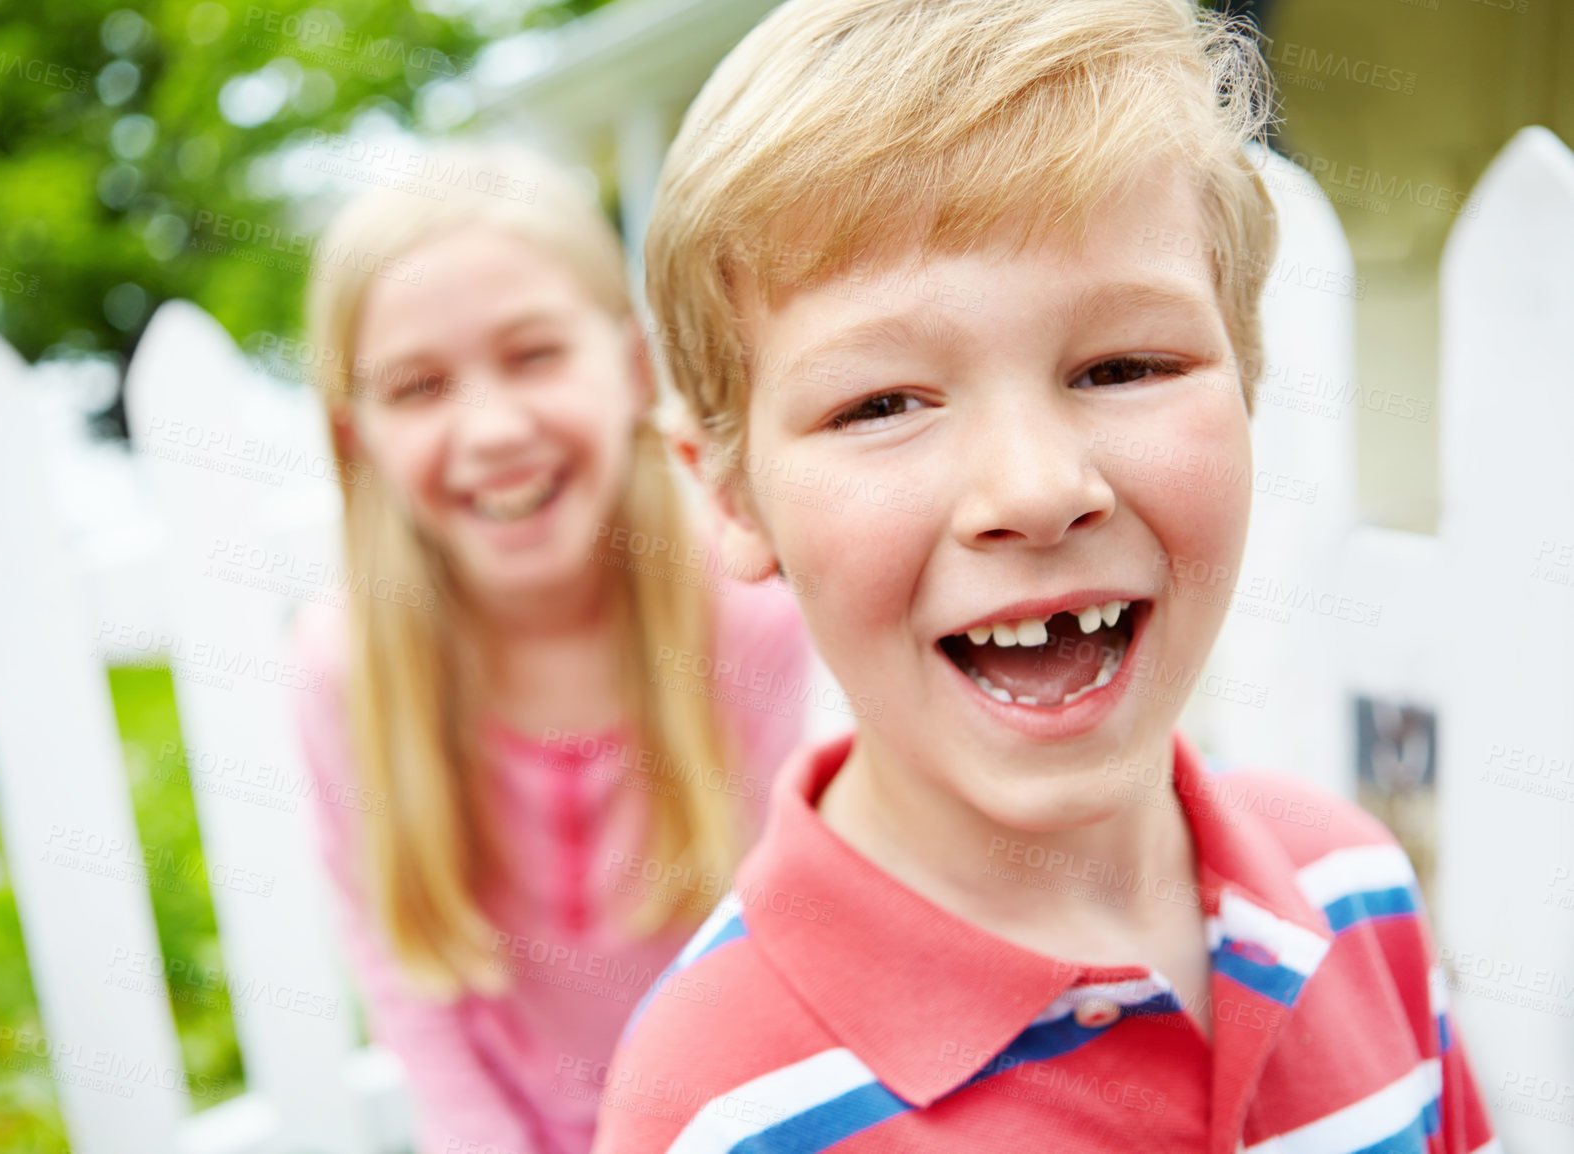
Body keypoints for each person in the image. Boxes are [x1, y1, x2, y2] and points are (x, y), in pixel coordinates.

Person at [591, 1, 1497, 1150]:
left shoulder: (1357, 890)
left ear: (1249, 380)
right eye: (881, 403)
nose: (1032, 487)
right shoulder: (719, 1105)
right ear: (728, 491)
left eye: (1124, 364)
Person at [289, 142, 812, 1154]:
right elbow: (405, 982)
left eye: (533, 355)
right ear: (357, 437)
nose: (490, 428)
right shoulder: (344, 667)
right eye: (417, 386)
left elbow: (764, 942)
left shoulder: (742, 611)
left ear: (629, 370)